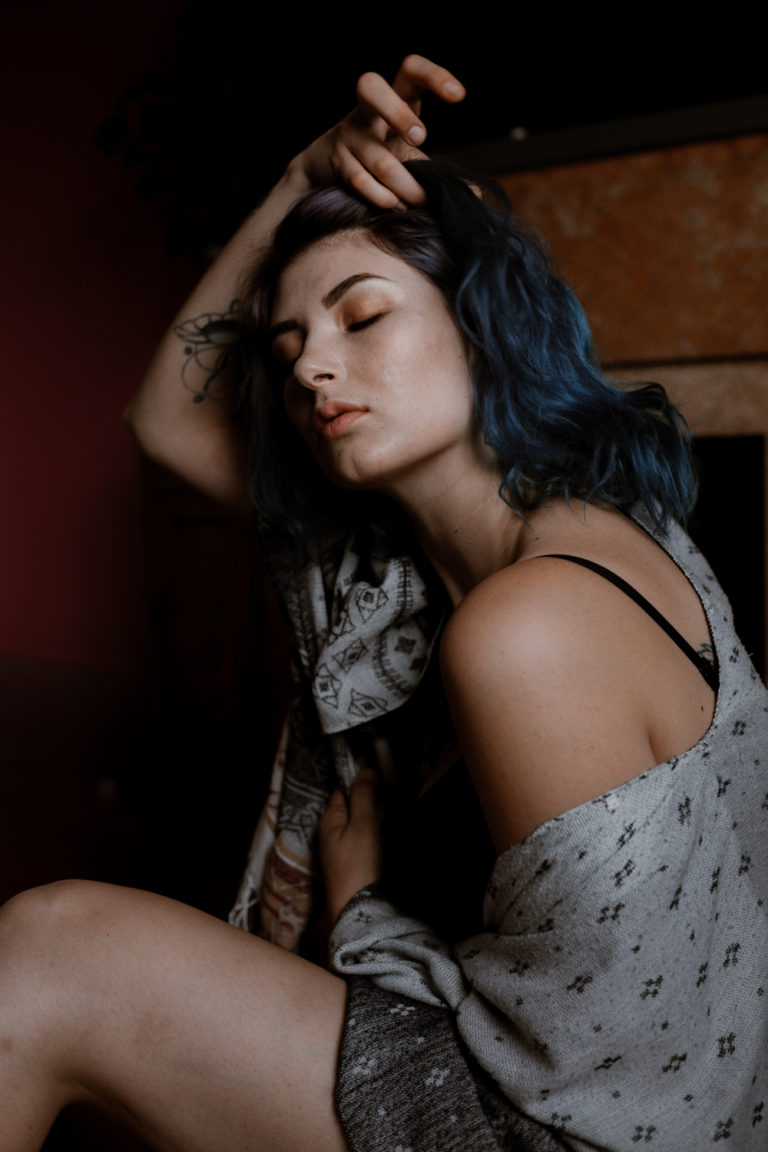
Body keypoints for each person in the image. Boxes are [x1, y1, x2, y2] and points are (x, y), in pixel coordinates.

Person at [1, 54, 766, 1152]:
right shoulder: (466, 545)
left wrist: (360, 910)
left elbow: (580, 1091)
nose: (313, 368)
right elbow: (163, 422)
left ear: (486, 326)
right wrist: (302, 176)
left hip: (565, 1127)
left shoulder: (530, 628)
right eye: (289, 346)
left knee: (43, 955)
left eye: (361, 318)